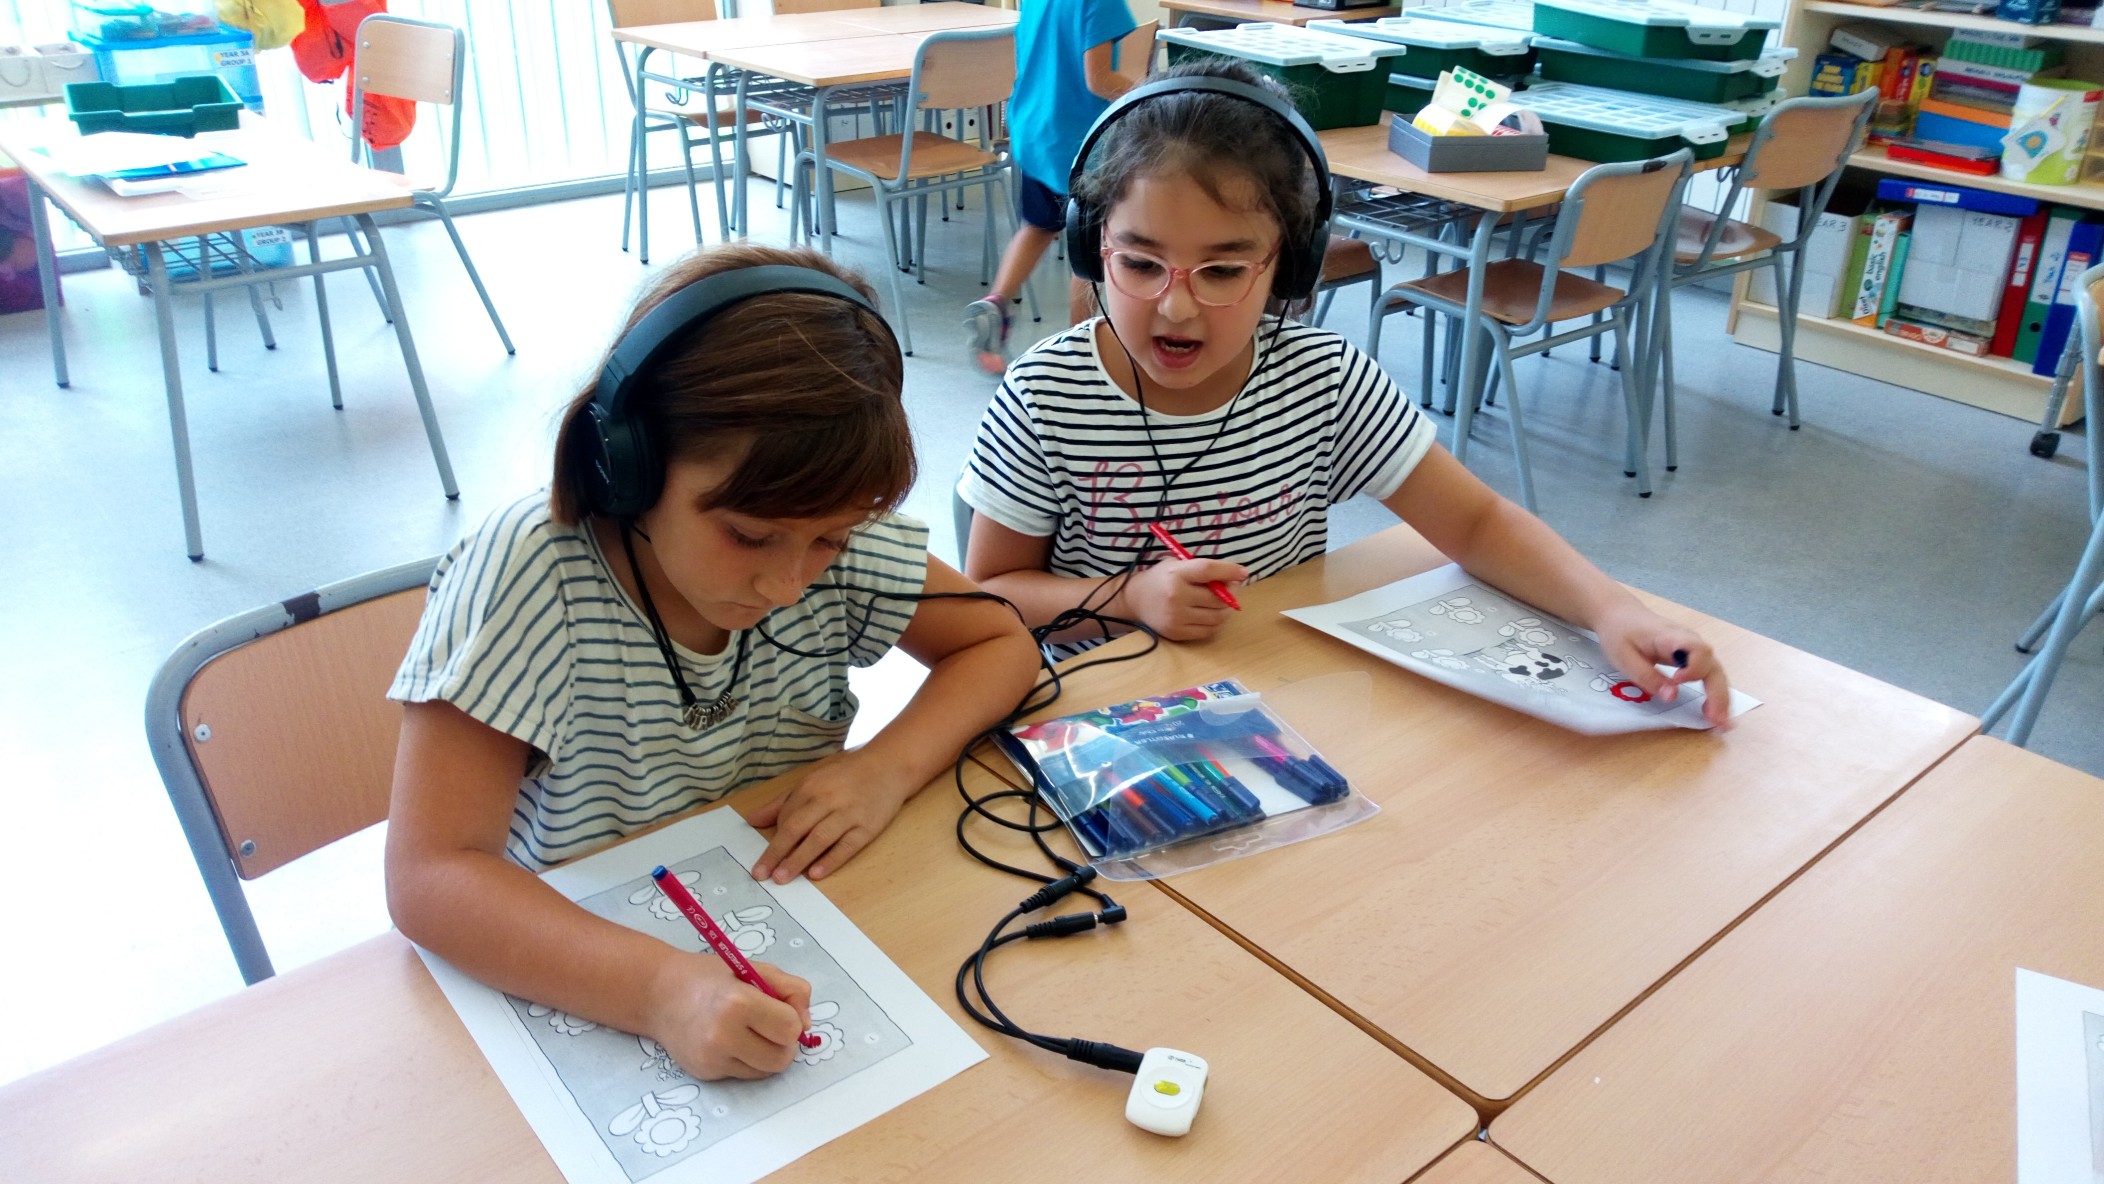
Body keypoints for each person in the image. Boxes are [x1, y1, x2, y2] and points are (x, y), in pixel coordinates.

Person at [385, 243, 1040, 1082]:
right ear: (628, 464)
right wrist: (660, 991)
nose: (788, 582)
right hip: (577, 958)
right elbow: (431, 876)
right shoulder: (528, 573)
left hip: (789, 913)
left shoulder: (818, 521)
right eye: (748, 536)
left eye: (830, 541)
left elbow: (999, 642)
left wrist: (886, 768)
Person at [957, 62, 1732, 723]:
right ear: (1092, 246)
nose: (1178, 305)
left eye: (1223, 270)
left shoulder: (1322, 381)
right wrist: (1130, 597)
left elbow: (1477, 522)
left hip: (1270, 698)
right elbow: (991, 594)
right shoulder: (1047, 395)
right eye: (1140, 264)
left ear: (1292, 266)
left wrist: (1613, 611)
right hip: (1099, 714)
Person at [963, 0, 1138, 374]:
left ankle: (995, 305)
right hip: (1078, 143)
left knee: (1039, 226)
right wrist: (1148, 91)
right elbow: (1099, 78)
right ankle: (1081, 350)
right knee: (1089, 250)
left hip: (1035, 129)